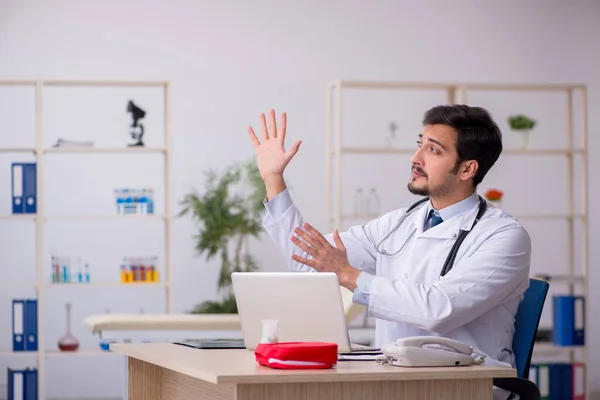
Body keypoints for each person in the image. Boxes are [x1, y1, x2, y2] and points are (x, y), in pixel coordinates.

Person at [247, 105, 531, 400]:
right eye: (419, 144)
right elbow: (310, 261)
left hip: (466, 388)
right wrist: (273, 181)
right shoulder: (397, 223)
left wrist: (349, 275)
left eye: (433, 150)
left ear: (467, 168)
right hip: (395, 382)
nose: (415, 158)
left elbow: (439, 309)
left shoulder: (503, 236)